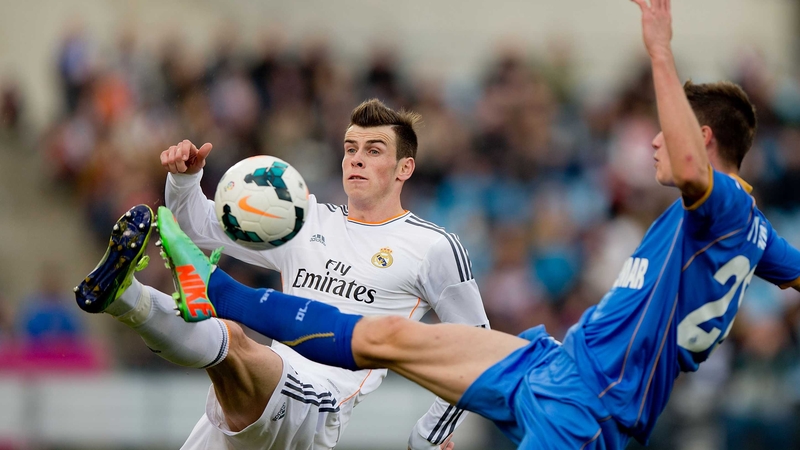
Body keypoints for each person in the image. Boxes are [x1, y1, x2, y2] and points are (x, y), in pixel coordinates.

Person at [153, 1, 800, 449]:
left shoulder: (723, 205)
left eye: (670, 129)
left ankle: (217, 295)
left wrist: (658, 48)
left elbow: (689, 167)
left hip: (589, 408)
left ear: (704, 139)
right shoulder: (755, 233)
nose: (654, 142)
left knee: (386, 339)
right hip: (555, 363)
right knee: (388, 337)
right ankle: (214, 292)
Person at [74, 99, 488, 449]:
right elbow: (196, 228)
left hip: (317, 405)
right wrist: (186, 180)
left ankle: (161, 292)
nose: (356, 158)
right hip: (259, 387)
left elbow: (478, 348)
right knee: (231, 341)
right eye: (350, 148)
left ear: (405, 168)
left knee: (233, 336)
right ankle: (127, 293)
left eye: (374, 150)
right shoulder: (304, 218)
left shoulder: (433, 246)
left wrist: (429, 434)